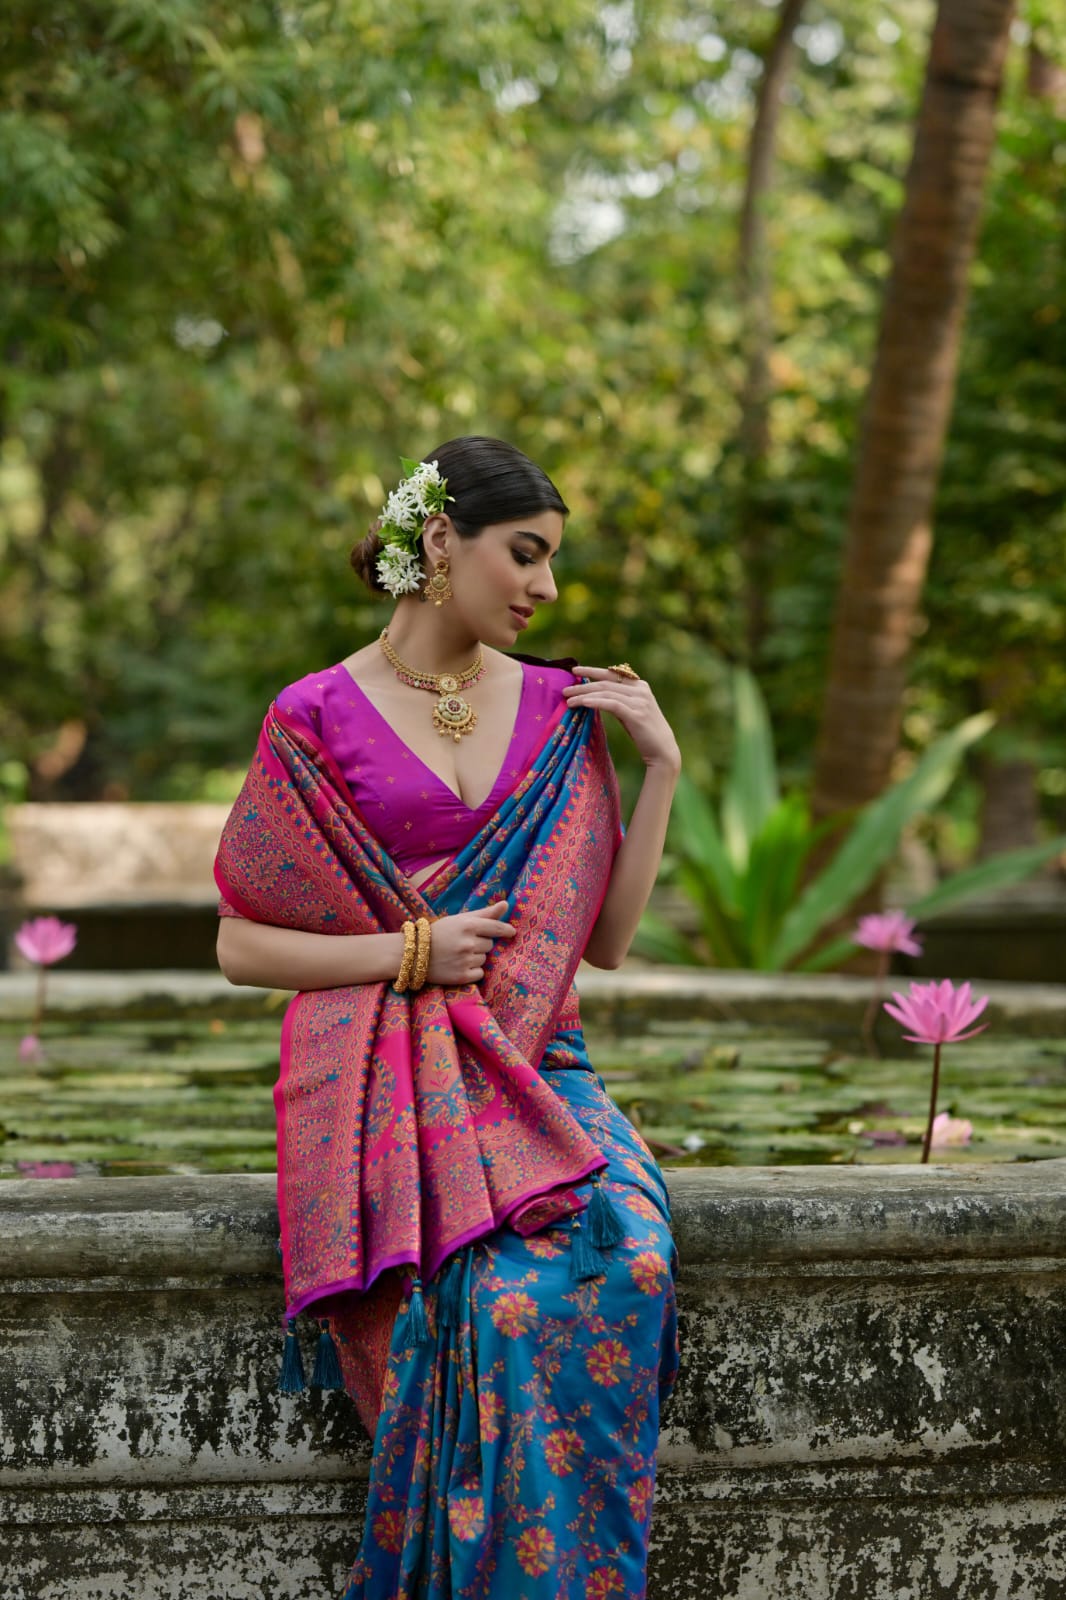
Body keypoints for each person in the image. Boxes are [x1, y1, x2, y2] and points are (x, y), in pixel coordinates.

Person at [214, 436, 681, 1599]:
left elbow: (605, 944)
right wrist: (412, 951)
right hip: (382, 1073)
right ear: (439, 541)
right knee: (476, 1297)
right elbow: (240, 945)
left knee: (632, 1254)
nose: (546, 588)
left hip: (539, 1063)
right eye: (525, 554)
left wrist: (660, 766)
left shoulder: (562, 709)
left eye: (554, 563)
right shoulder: (314, 713)